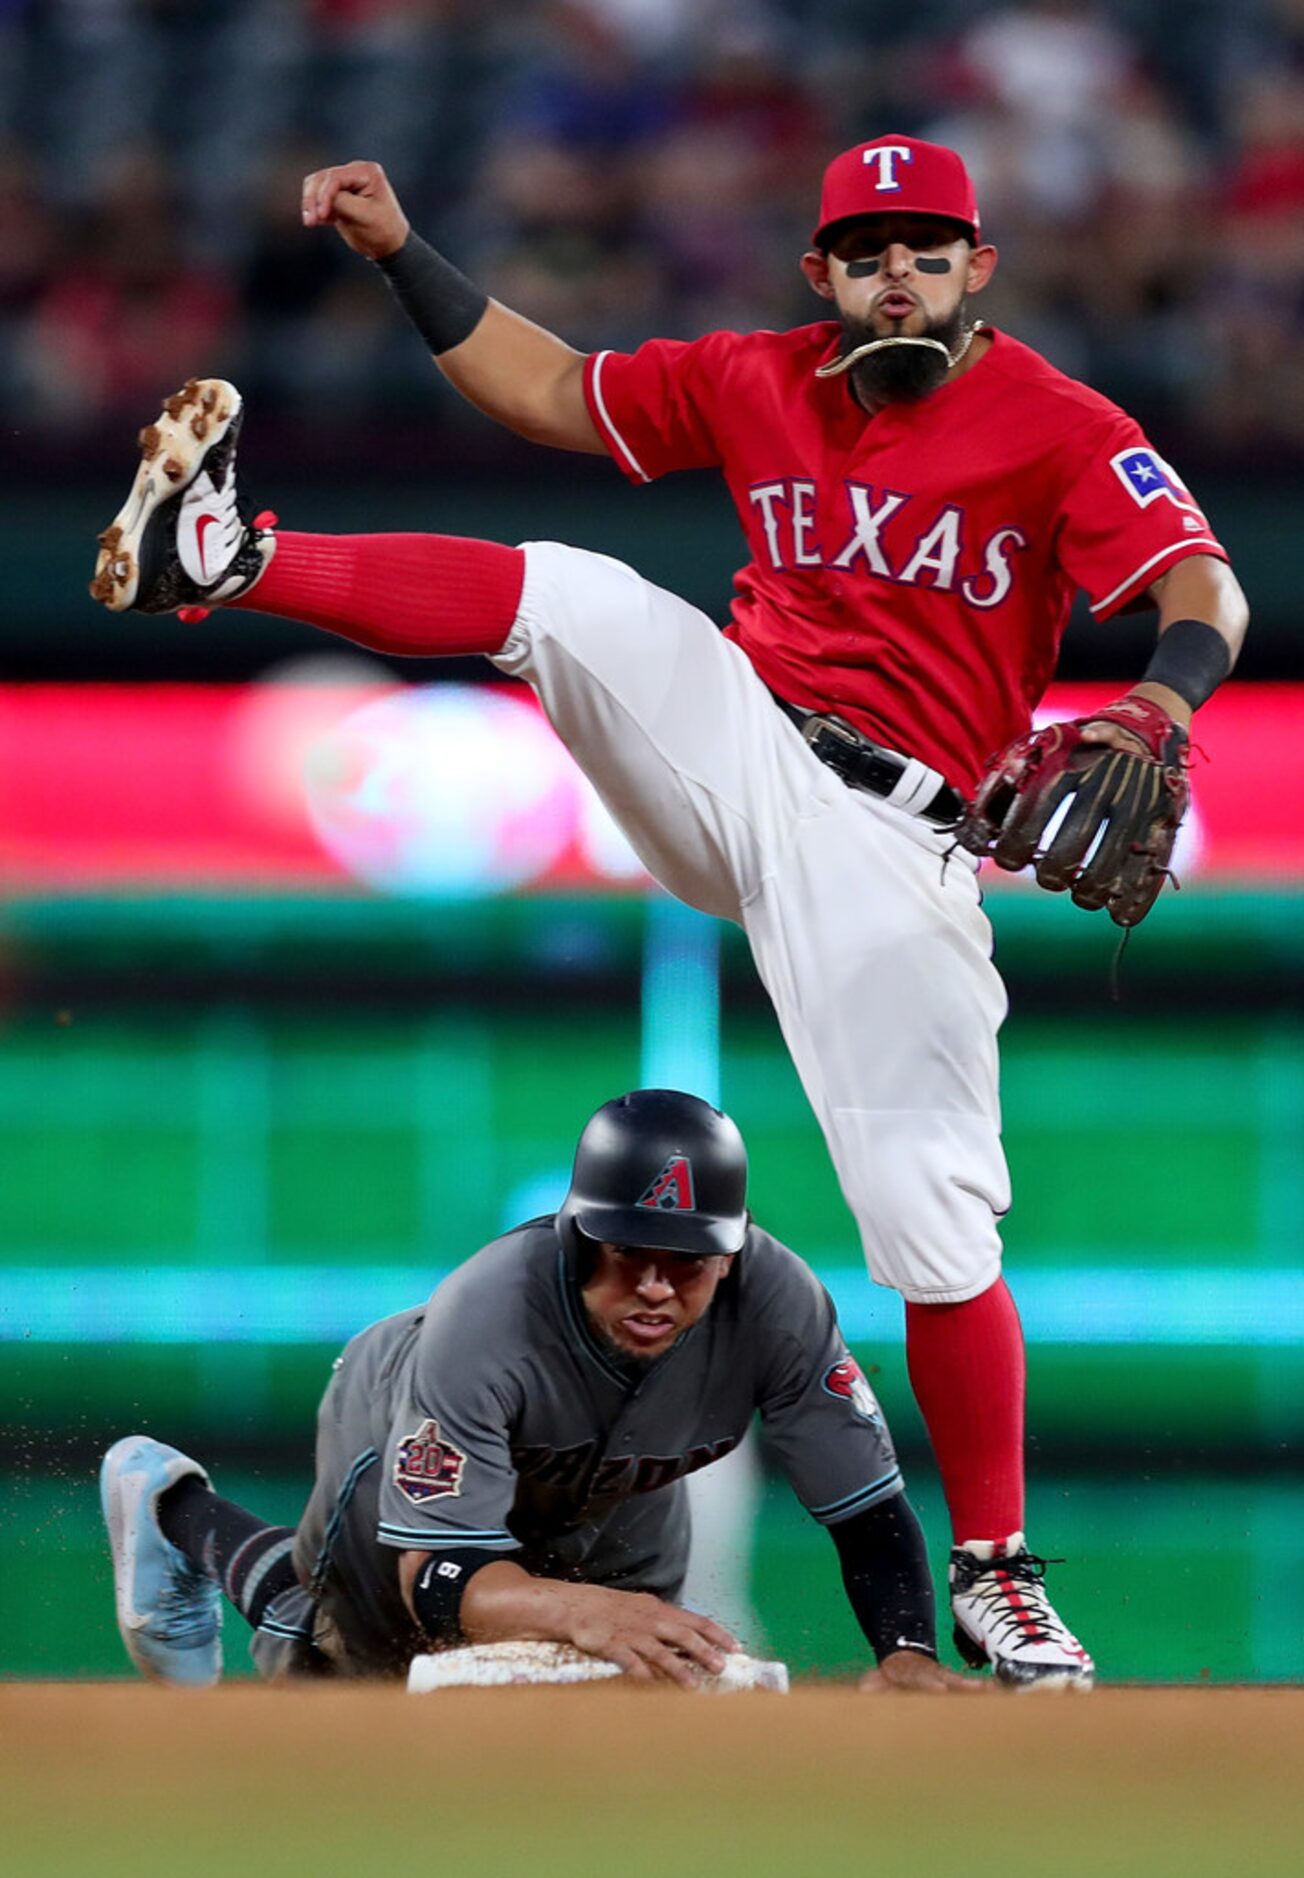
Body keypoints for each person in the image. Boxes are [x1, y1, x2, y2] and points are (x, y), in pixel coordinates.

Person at [90, 134, 1249, 1688]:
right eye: (864, 248)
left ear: (979, 268)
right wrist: (399, 248)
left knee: (935, 1219)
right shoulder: (762, 374)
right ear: (819, 274)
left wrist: (1162, 707)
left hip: (894, 834)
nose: (893, 269)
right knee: (569, 591)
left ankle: (995, 1572)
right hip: (741, 736)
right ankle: (230, 556)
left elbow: (1204, 587)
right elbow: (553, 391)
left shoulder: (1054, 422)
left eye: (925, 246)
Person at [100, 1089, 981, 1693]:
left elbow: (866, 1509)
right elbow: (442, 1580)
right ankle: (175, 1511)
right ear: (579, 1234)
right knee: (357, 1676)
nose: (655, 1287)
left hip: (620, 1486)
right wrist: (575, 1609)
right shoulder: (485, 1320)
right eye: (630, 1251)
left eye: (688, 1263)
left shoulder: (778, 1303)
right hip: (397, 1414)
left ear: (732, 1251)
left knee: (633, 1684)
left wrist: (904, 1653)